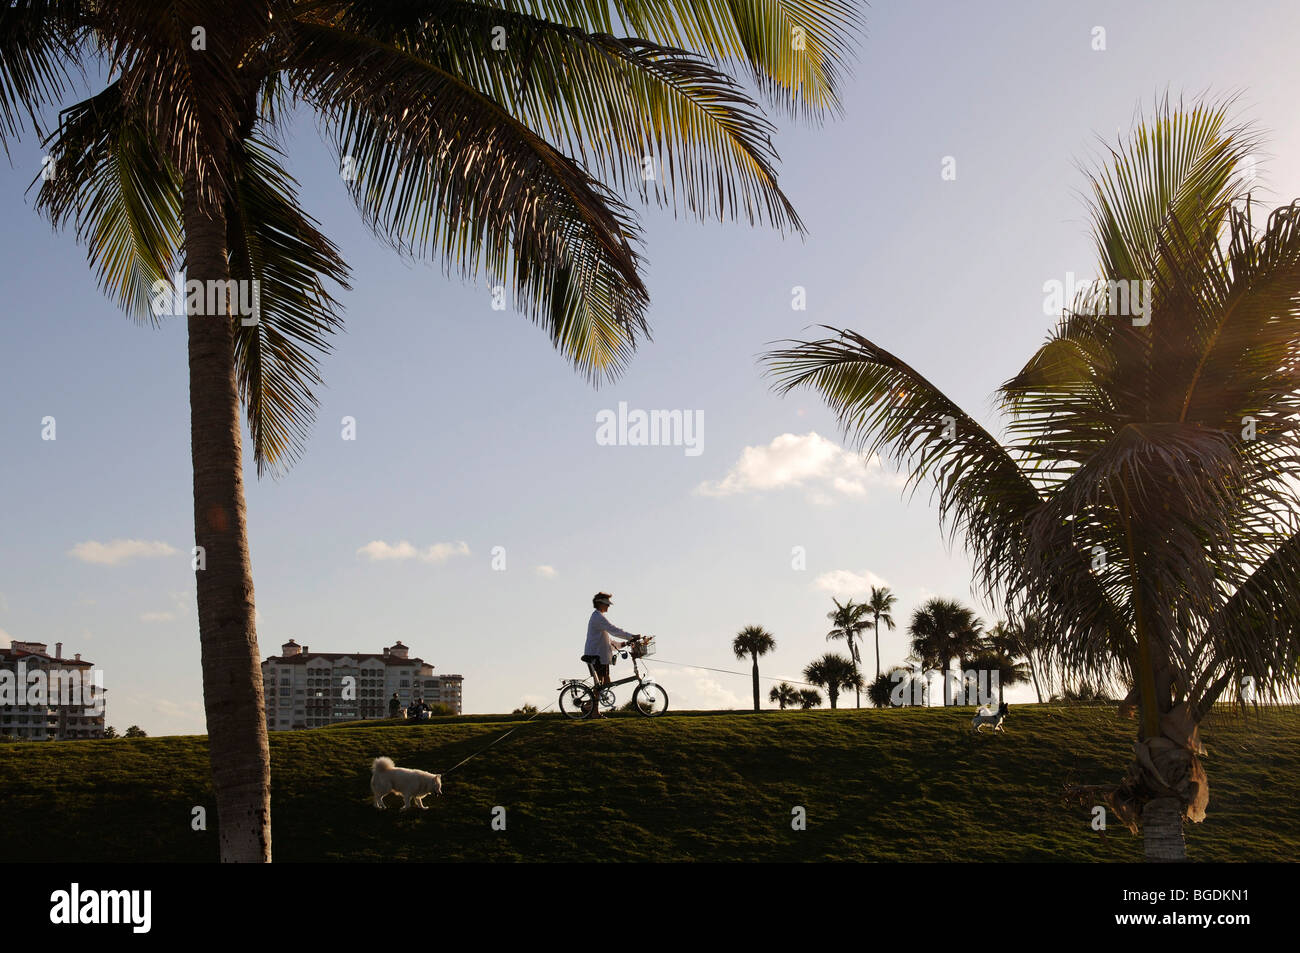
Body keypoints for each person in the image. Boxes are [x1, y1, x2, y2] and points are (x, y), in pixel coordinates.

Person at [583, 592, 638, 717]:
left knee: (605, 682)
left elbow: (608, 641)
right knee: (601, 684)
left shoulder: (599, 617)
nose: (608, 606)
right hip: (596, 656)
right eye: (606, 604)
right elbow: (613, 629)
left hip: (599, 655)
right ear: (600, 603)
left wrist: (623, 644)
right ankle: (594, 711)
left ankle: (589, 706)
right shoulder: (598, 617)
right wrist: (631, 636)